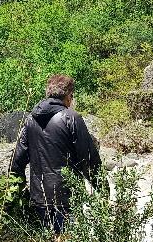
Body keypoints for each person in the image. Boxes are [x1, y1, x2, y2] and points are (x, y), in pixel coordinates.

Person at [10, 74, 101, 233]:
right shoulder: (71, 117)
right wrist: (103, 190)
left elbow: (17, 161)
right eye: (71, 97)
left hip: (39, 198)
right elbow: (89, 158)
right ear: (68, 96)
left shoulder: (31, 119)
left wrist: (18, 192)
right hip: (66, 197)